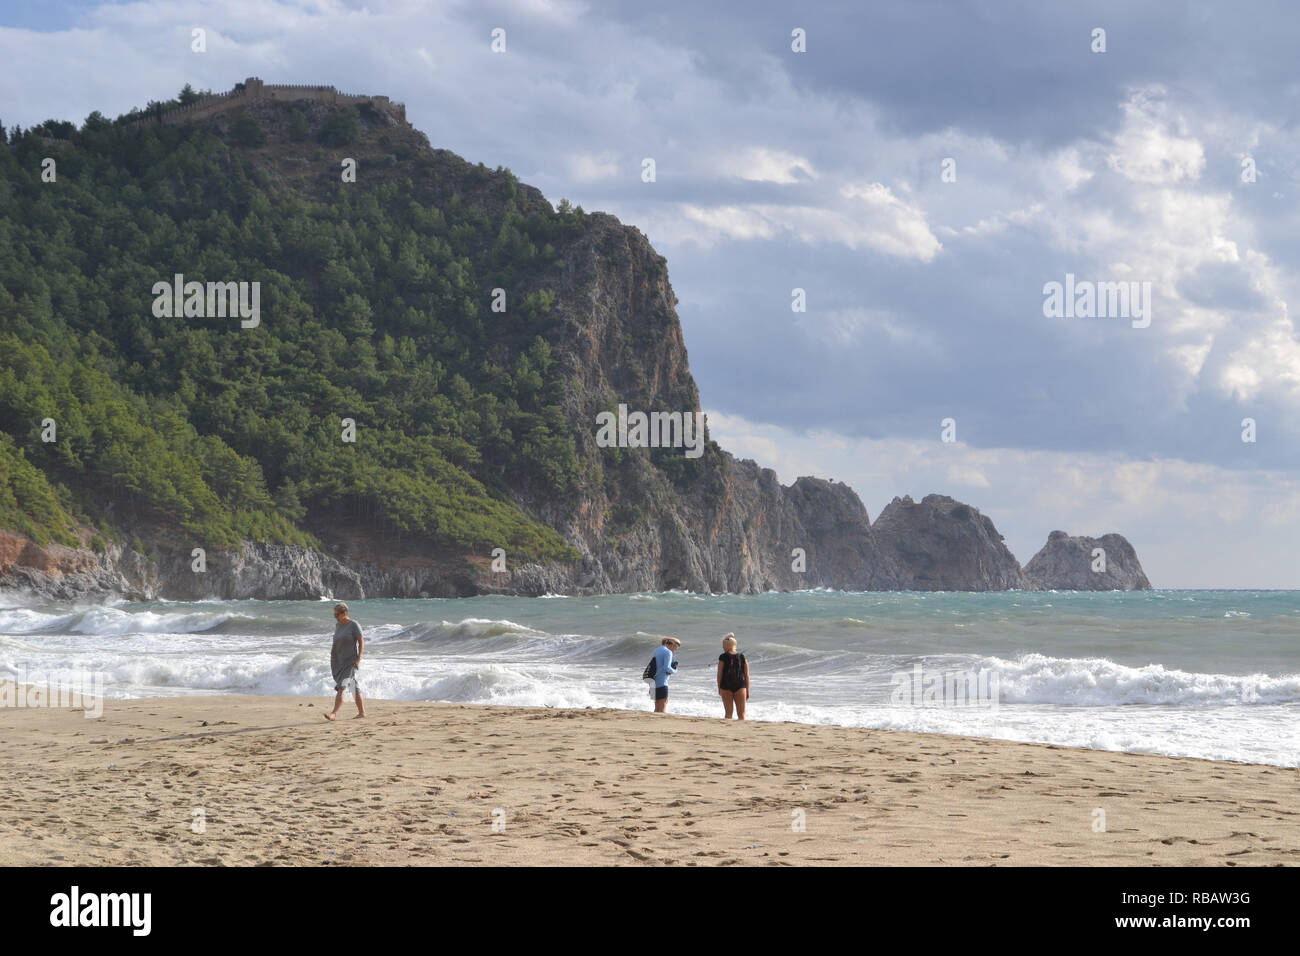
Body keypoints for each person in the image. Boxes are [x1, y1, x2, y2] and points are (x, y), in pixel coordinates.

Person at [324, 602, 366, 720]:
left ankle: (334, 713)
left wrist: (359, 658)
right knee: (353, 685)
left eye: (337, 615)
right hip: (338, 661)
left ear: (345, 613)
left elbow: (361, 641)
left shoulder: (354, 625)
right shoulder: (338, 625)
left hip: (350, 661)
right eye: (334, 615)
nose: (335, 617)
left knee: (342, 686)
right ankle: (362, 713)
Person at [716, 633, 750, 720]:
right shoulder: (742, 656)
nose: (723, 647)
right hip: (741, 686)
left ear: (728, 646)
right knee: (742, 715)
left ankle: (727, 732)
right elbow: (747, 675)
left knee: (728, 714)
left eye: (724, 645)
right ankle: (742, 731)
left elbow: (719, 674)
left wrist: (719, 687)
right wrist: (748, 690)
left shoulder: (723, 657)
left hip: (726, 686)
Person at [651, 637, 680, 713]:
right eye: (676, 648)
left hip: (653, 682)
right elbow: (666, 668)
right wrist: (675, 671)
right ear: (673, 644)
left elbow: (658, 665)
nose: (675, 650)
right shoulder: (668, 652)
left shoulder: (656, 650)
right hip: (662, 683)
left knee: (657, 707)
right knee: (663, 706)